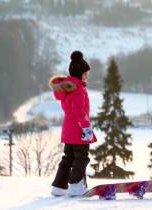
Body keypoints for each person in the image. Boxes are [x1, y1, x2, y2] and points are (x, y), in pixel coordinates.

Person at [49, 51, 97, 196]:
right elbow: (78, 111)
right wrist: (86, 128)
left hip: (68, 130)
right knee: (81, 157)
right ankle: (76, 186)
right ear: (80, 73)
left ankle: (59, 187)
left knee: (68, 158)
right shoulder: (79, 90)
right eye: (85, 73)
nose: (87, 75)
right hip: (78, 131)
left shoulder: (68, 89)